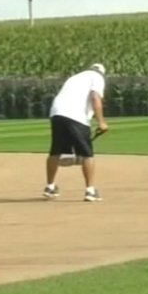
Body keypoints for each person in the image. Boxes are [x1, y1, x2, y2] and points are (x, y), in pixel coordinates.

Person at [44, 63, 109, 202]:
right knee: (87, 154)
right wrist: (101, 122)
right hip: (76, 115)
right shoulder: (97, 77)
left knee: (55, 151)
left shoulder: (75, 77)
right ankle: (90, 191)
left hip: (56, 113)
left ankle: (50, 187)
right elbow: (95, 98)